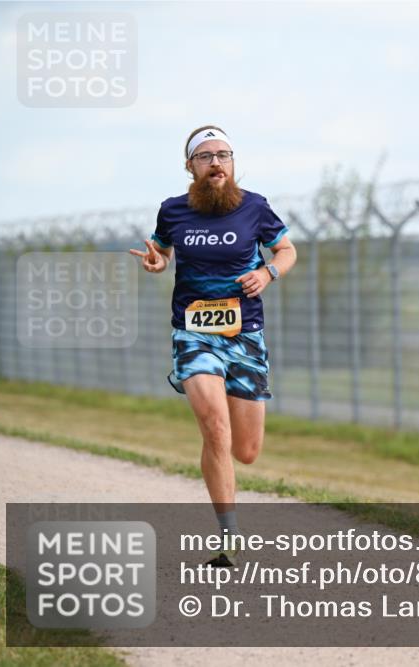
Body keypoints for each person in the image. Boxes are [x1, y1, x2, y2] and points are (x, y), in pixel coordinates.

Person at [129, 125, 297, 567]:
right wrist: (156, 261)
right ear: (191, 166)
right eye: (205, 157)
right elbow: (162, 251)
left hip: (245, 335)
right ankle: (229, 537)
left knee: (246, 450)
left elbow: (287, 250)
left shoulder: (254, 208)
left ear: (233, 162)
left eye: (223, 154)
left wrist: (268, 273)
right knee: (214, 426)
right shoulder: (174, 211)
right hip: (193, 332)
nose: (216, 163)